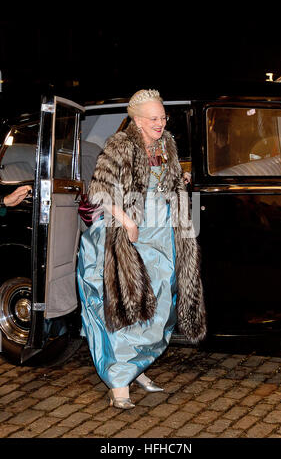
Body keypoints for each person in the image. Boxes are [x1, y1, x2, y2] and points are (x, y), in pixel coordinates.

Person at [77, 89, 206, 409]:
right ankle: (119, 380)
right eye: (153, 118)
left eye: (163, 117)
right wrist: (126, 222)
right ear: (136, 119)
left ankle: (138, 367)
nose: (160, 123)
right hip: (130, 238)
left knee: (160, 309)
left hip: (163, 236)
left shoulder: (167, 145)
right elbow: (100, 191)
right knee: (129, 310)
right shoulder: (120, 146)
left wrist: (180, 178)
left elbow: (165, 179)